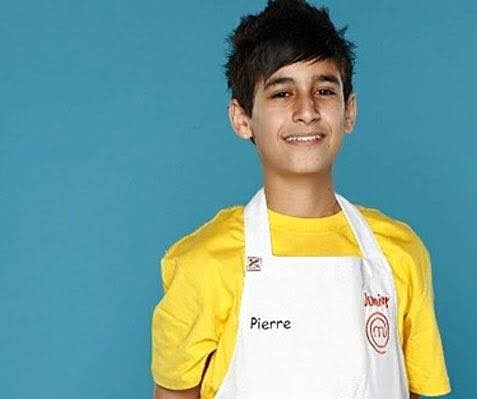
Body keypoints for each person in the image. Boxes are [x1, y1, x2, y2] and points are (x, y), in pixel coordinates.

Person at [151, 1, 451, 398]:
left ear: (349, 111)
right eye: (281, 93)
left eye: (324, 90)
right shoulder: (204, 263)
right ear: (242, 118)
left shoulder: (399, 252)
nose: (306, 110)